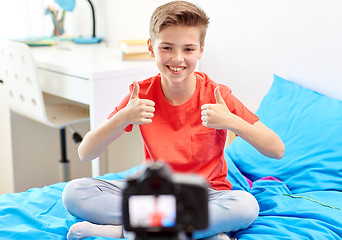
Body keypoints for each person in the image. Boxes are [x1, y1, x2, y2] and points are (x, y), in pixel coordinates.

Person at [62, 1, 285, 240]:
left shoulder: (217, 96)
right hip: (151, 193)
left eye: (188, 49)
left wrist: (232, 122)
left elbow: (277, 149)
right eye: (167, 47)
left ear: (201, 50)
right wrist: (123, 117)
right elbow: (86, 152)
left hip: (206, 194)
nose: (177, 59)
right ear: (151, 47)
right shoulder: (141, 93)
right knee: (74, 193)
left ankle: (128, 230)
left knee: (245, 206)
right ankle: (197, 231)